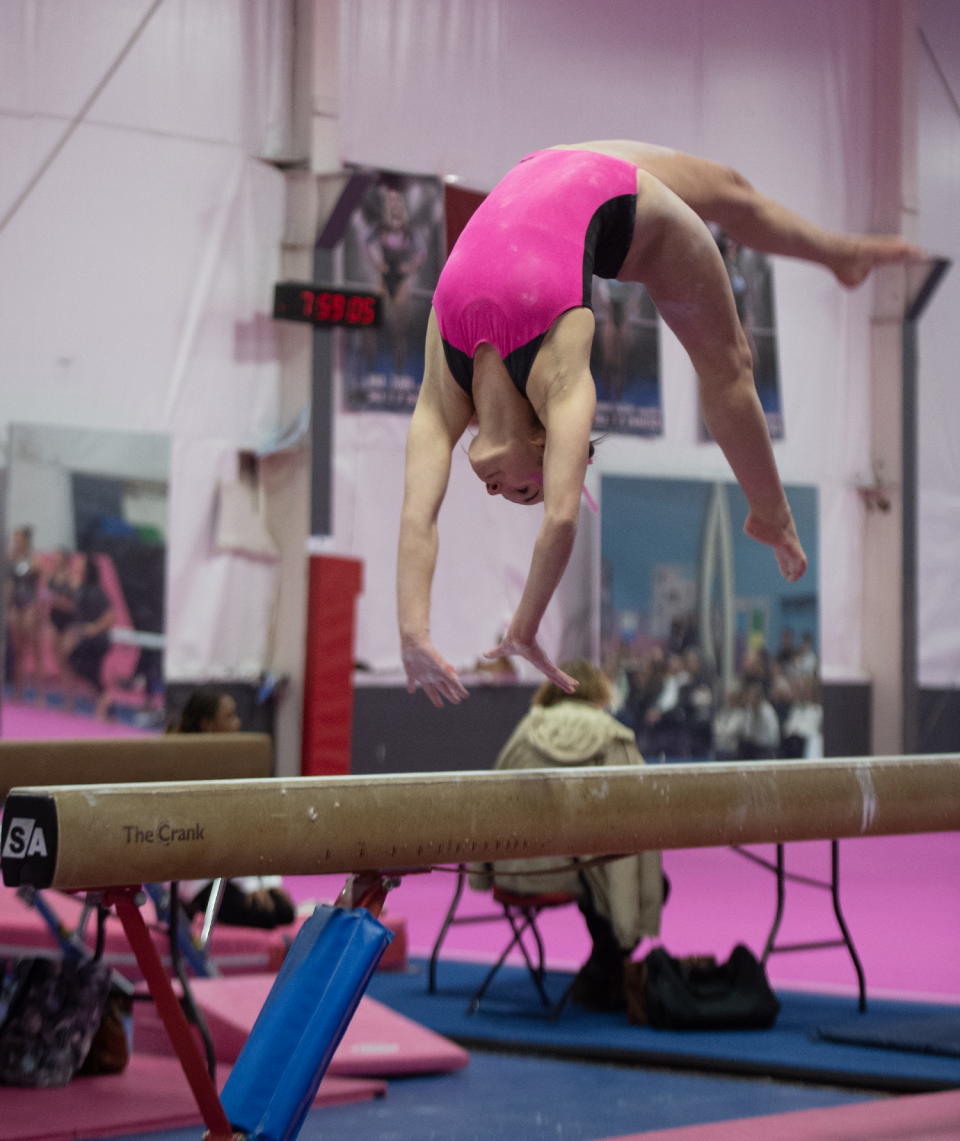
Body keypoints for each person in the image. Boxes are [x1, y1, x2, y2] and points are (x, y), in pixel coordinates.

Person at [397, 140, 924, 707]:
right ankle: (772, 511)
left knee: (731, 211)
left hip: (559, 174)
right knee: (730, 352)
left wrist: (470, 630)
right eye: (527, 492)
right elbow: (497, 518)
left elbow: (496, 517)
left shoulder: (459, 380)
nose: (505, 493)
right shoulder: (551, 371)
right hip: (591, 190)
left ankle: (839, 255)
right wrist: (454, 631)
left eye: (526, 492)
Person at [468, 659, 664, 1012]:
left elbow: (489, 801)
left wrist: (483, 871)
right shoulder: (613, 736)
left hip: (514, 871)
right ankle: (601, 972)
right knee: (636, 882)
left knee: (595, 875)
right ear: (599, 692)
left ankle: (603, 973)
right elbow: (638, 817)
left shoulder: (525, 731)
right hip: (574, 872)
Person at [172, 688, 295, 930]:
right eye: (229, 716)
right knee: (266, 916)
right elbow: (213, 838)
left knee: (284, 911)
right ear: (208, 724)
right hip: (199, 875)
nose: (238, 722)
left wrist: (267, 881)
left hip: (232, 870)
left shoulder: (239, 763)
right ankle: (189, 902)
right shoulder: (188, 770)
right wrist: (250, 885)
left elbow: (254, 831)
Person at [62, 553, 115, 720]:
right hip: (84, 637)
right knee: (85, 669)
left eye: (81, 565)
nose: (77, 567)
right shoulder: (80, 587)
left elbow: (110, 615)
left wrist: (95, 627)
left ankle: (106, 703)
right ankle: (104, 708)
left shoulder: (97, 590)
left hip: (96, 639)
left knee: (84, 668)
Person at [5, 526, 45, 703]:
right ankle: (18, 692)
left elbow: (41, 579)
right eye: (15, 539)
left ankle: (41, 694)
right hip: (16, 606)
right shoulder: (11, 559)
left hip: (30, 606)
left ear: (27, 541)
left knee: (35, 651)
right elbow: (8, 584)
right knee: (19, 651)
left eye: (19, 539)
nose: (16, 542)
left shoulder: (35, 560)